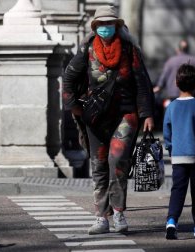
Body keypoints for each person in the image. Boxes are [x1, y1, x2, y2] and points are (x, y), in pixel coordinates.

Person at [62, 5, 155, 235]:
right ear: (95, 27)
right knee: (99, 166)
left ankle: (119, 212)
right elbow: (69, 78)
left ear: (118, 26)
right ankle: (101, 217)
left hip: (126, 115)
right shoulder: (87, 50)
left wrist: (147, 114)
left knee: (118, 162)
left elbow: (142, 83)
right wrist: (74, 106)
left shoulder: (129, 50)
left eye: (109, 24)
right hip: (95, 118)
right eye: (101, 24)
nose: (105, 28)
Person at [163, 63, 195, 240]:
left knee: (177, 189)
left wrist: (170, 148)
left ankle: (171, 221)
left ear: (176, 83)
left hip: (178, 155)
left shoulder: (171, 106)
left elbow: (167, 131)